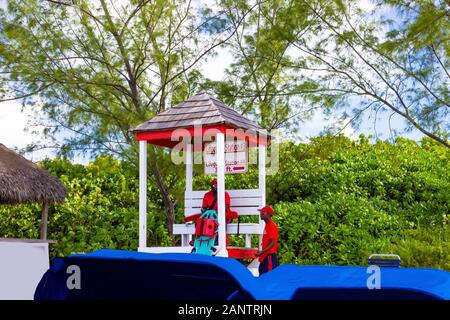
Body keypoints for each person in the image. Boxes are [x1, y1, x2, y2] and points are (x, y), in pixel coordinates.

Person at [201, 178, 238, 246]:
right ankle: (207, 243)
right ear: (211, 186)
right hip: (211, 216)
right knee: (205, 220)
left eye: (218, 185)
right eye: (215, 185)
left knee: (220, 218)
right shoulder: (207, 195)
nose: (217, 187)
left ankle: (222, 243)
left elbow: (225, 208)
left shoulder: (225, 194)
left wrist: (216, 213)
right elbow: (203, 209)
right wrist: (207, 213)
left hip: (224, 215)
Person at [255, 205, 278, 275]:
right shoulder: (267, 225)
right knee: (262, 276)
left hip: (269, 257)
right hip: (265, 257)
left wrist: (262, 252)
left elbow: (272, 243)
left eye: (263, 212)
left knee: (269, 278)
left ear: (269, 214)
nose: (261, 213)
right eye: (261, 212)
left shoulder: (271, 225)